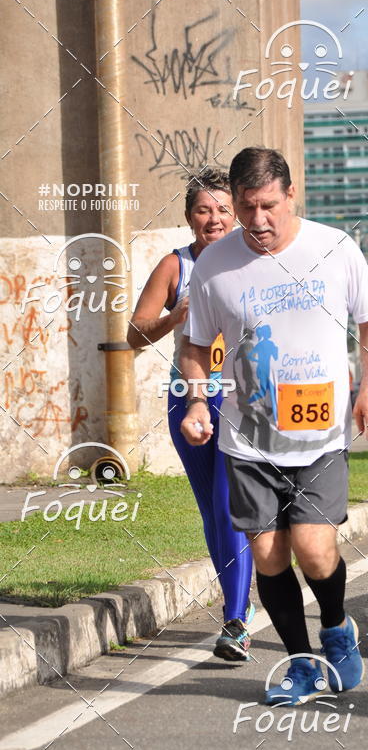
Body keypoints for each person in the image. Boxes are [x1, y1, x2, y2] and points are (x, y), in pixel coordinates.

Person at [180, 146, 368, 705]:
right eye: (246, 207)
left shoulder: (334, 248)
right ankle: (300, 663)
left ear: (292, 194)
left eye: (268, 205)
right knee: (270, 555)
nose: (257, 220)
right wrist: (199, 402)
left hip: (319, 438)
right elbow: (196, 345)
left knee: (316, 551)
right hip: (249, 440)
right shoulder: (214, 265)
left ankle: (338, 627)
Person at [127, 168, 254, 662]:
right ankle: (235, 604)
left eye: (224, 209)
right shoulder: (174, 266)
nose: (214, 219)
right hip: (189, 397)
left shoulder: (255, 261)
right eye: (204, 210)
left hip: (243, 398)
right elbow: (134, 335)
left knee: (229, 506)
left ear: (238, 213)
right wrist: (172, 320)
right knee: (211, 511)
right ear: (188, 217)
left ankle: (236, 621)